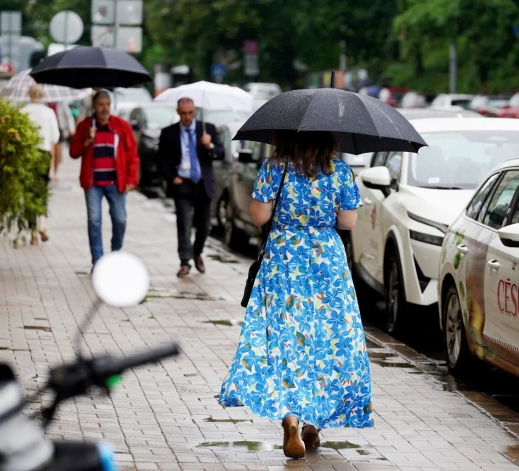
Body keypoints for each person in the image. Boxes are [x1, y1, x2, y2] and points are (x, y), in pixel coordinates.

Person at [219, 131, 374, 459]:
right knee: (325, 340)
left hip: (285, 260)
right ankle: (313, 425)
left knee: (288, 340)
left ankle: (291, 420)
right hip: (326, 262)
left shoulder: (275, 167)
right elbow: (348, 222)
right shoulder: (340, 170)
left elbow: (259, 216)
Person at [69, 90, 139, 269]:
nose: (104, 108)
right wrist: (87, 140)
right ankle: (98, 262)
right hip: (93, 184)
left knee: (120, 219)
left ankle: (115, 255)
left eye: (107, 104)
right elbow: (73, 152)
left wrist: (132, 178)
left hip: (116, 183)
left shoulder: (121, 126)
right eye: (100, 104)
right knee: (94, 221)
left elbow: (132, 154)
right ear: (94, 106)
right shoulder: (86, 126)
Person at [158, 98, 224, 277]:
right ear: (178, 112)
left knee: (204, 227)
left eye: (190, 113)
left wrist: (209, 145)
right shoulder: (169, 133)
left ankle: (197, 252)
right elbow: (162, 159)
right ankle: (185, 261)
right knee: (184, 224)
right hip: (183, 184)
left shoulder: (207, 129)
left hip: (203, 184)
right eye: (184, 113)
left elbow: (221, 152)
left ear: (194, 112)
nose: (187, 116)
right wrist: (172, 178)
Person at [20, 85, 60, 245]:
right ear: (42, 95)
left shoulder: (23, 112)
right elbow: (55, 137)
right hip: (43, 154)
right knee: (42, 190)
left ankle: (33, 232)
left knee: (29, 192)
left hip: (28, 154)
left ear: (29, 94)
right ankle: (43, 225)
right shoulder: (49, 112)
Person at [49, 101, 76, 181]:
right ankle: (50, 170)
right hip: (49, 129)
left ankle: (56, 171)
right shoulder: (46, 102)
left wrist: (71, 128)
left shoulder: (62, 103)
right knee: (51, 151)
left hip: (59, 129)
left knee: (57, 152)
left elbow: (69, 116)